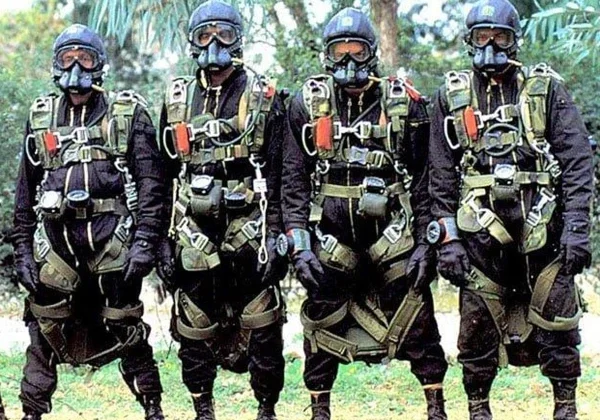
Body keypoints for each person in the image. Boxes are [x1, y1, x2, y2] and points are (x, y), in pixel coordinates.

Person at [427, 0, 593, 418]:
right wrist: (447, 240)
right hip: (480, 243)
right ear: (469, 41)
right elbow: (439, 175)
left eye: (499, 37)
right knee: (475, 334)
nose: (490, 47)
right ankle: (479, 410)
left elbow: (577, 161)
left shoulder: (545, 90)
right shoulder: (450, 97)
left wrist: (576, 228)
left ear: (514, 40)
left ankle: (566, 409)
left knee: (559, 327)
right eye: (481, 37)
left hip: (544, 236)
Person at [280, 7, 448, 420]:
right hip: (330, 239)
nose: (349, 61)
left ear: (372, 52)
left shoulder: (404, 105)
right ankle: (319, 410)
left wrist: (425, 244)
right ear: (326, 55)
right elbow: (293, 180)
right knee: (321, 322)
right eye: (339, 52)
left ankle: (436, 407)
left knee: (418, 318)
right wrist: (299, 244)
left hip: (391, 237)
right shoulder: (306, 105)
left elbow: (424, 179)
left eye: (356, 50)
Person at [12, 24, 166, 420]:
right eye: (67, 59)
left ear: (100, 65)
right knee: (43, 327)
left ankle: (153, 408)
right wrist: (22, 250)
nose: (76, 69)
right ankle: (31, 412)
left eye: (85, 59)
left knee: (126, 323)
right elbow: (25, 190)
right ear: (55, 65)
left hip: (111, 244)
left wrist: (145, 244)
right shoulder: (41, 117)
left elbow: (152, 185)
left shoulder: (128, 115)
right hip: (56, 246)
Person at [158, 1, 287, 419]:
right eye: (204, 36)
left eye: (224, 35)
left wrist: (278, 235)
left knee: (263, 320)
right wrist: (160, 241)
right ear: (192, 43)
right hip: (192, 228)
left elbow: (283, 175)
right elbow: (161, 176)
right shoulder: (177, 100)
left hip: (251, 227)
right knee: (192, 322)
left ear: (239, 41)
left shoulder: (265, 98)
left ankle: (266, 408)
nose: (214, 45)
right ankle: (203, 408)